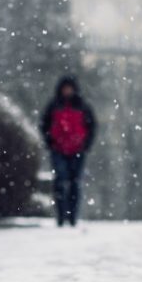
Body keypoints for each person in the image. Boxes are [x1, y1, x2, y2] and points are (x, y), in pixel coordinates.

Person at [41, 76, 95, 227]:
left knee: (74, 184)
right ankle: (60, 216)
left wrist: (85, 145)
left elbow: (91, 127)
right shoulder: (53, 105)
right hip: (58, 149)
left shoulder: (83, 106)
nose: (67, 91)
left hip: (77, 150)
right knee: (60, 181)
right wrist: (50, 142)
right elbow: (44, 125)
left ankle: (72, 217)